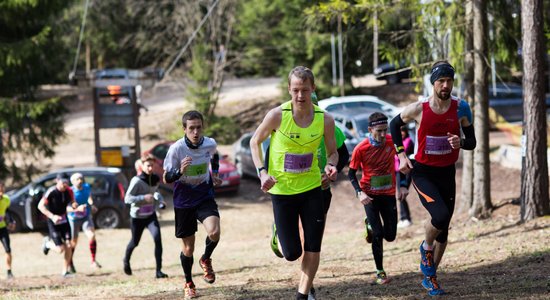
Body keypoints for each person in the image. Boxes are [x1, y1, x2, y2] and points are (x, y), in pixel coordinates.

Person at [250, 66, 338, 300]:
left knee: (313, 246)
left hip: (311, 189)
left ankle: (302, 295)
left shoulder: (325, 119)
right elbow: (254, 142)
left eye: (305, 90)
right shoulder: (277, 115)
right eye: (296, 90)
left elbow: (333, 152)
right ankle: (279, 231)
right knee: (291, 253)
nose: (300, 96)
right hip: (282, 190)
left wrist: (331, 165)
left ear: (313, 89)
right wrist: (261, 172)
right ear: (289, 89)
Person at [390, 60, 476, 296]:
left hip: (447, 171)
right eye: (441, 81)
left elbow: (473, 141)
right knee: (439, 215)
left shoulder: (462, 108)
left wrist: (462, 142)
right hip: (423, 171)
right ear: (434, 83)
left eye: (449, 81)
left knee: (444, 230)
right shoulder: (419, 108)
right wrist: (402, 156)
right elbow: (394, 124)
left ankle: (430, 277)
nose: (446, 85)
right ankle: (425, 247)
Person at [163, 110, 223, 299]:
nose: (196, 132)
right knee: (188, 248)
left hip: (204, 195)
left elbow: (214, 156)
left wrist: (215, 173)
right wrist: (179, 171)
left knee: (214, 232)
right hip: (184, 200)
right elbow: (166, 178)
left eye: (198, 127)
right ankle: (189, 282)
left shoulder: (209, 143)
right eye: (191, 128)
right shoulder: (177, 149)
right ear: (184, 129)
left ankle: (205, 259)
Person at [348, 112, 397, 285]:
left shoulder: (392, 142)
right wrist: (359, 192)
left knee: (390, 236)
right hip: (370, 196)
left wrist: (404, 183)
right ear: (370, 129)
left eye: (385, 130)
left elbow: (405, 160)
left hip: (389, 194)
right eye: (379, 131)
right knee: (378, 234)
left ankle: (370, 223)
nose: (383, 135)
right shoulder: (361, 148)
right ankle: (380, 272)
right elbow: (351, 173)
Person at [123, 154, 168, 279]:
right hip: (137, 217)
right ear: (142, 166)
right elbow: (127, 198)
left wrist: (161, 201)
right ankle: (126, 261)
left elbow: (156, 193)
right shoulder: (136, 181)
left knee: (157, 239)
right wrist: (143, 198)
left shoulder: (155, 178)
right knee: (135, 242)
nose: (150, 168)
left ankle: (159, 271)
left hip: (150, 216)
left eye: (152, 166)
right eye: (148, 166)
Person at [38, 173, 77, 277]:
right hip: (53, 221)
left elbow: (72, 202)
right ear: (57, 181)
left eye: (66, 182)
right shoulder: (51, 192)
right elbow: (40, 206)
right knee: (60, 249)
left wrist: (74, 205)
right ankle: (47, 244)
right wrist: (52, 216)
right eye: (62, 182)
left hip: (64, 220)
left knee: (69, 245)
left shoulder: (69, 191)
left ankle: (65, 271)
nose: (64, 185)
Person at [66, 173, 101, 272]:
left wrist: (92, 204)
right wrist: (77, 208)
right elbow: (67, 209)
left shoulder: (86, 187)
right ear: (72, 182)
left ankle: (93, 261)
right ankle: (70, 263)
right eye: (77, 179)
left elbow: (89, 197)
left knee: (92, 235)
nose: (80, 181)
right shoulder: (70, 192)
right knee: (74, 242)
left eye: (81, 178)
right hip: (73, 219)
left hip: (86, 216)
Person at [395, 125, 414, 228]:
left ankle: (406, 218)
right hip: (397, 172)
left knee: (402, 194)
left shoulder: (408, 141)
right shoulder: (396, 143)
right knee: (399, 195)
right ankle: (403, 218)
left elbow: (403, 154)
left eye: (403, 131)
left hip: (405, 171)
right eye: (399, 131)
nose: (401, 133)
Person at [0, 182, 16, 279]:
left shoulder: (6, 199)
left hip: (2, 228)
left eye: (2, 189)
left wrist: (11, 221)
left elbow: (7, 211)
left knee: (8, 250)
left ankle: (9, 272)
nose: (1, 191)